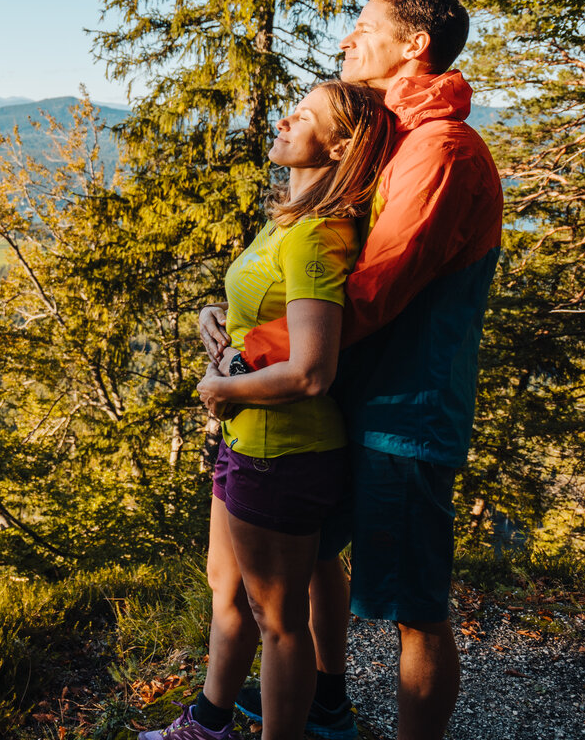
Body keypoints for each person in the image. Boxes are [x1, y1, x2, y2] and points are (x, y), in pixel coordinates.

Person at [199, 0, 503, 740]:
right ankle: (324, 701)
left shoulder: (441, 150)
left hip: (406, 412)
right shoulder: (400, 135)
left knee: (414, 607)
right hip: (356, 402)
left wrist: (255, 356)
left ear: (414, 47)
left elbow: (373, 286)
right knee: (313, 562)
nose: (346, 40)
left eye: (363, 28)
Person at [140, 80, 399, 740]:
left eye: (304, 115)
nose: (284, 118)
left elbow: (313, 370)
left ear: (338, 145)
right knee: (226, 591)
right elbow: (278, 312)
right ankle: (208, 722)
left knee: (277, 622)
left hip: (284, 451)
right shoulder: (288, 217)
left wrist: (222, 392)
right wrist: (218, 316)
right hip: (248, 443)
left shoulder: (317, 234)